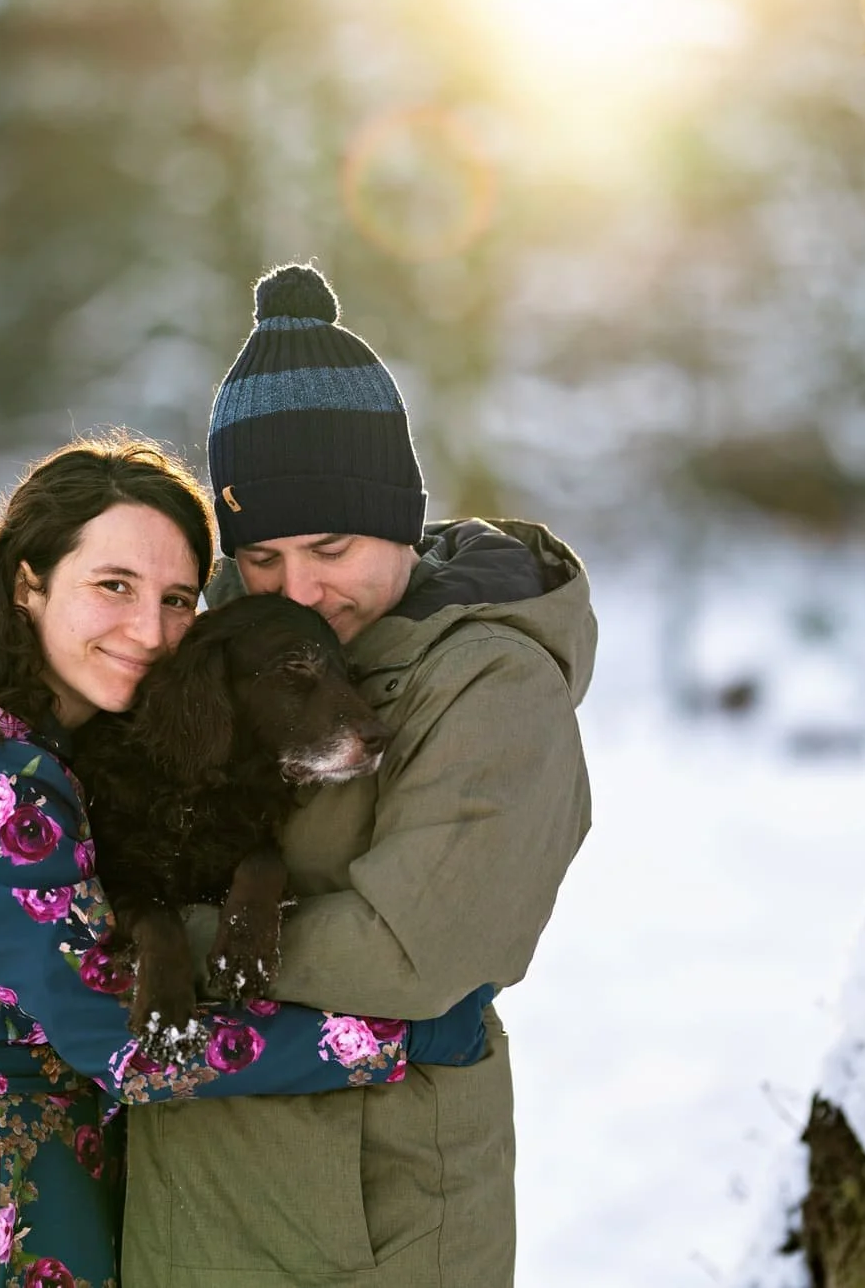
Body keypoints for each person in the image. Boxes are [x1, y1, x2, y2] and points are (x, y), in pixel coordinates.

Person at [0, 437, 492, 1288]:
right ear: (30, 580)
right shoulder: (4, 791)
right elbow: (130, 1042)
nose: (150, 631)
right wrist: (396, 1037)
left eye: (178, 598)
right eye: (114, 586)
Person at [120, 268, 598, 1287]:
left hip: (366, 1212)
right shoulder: (235, 656)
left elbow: (409, 953)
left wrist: (148, 947)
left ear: (397, 518)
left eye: (330, 547)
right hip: (193, 1196)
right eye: (258, 560)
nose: (299, 590)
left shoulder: (489, 682)